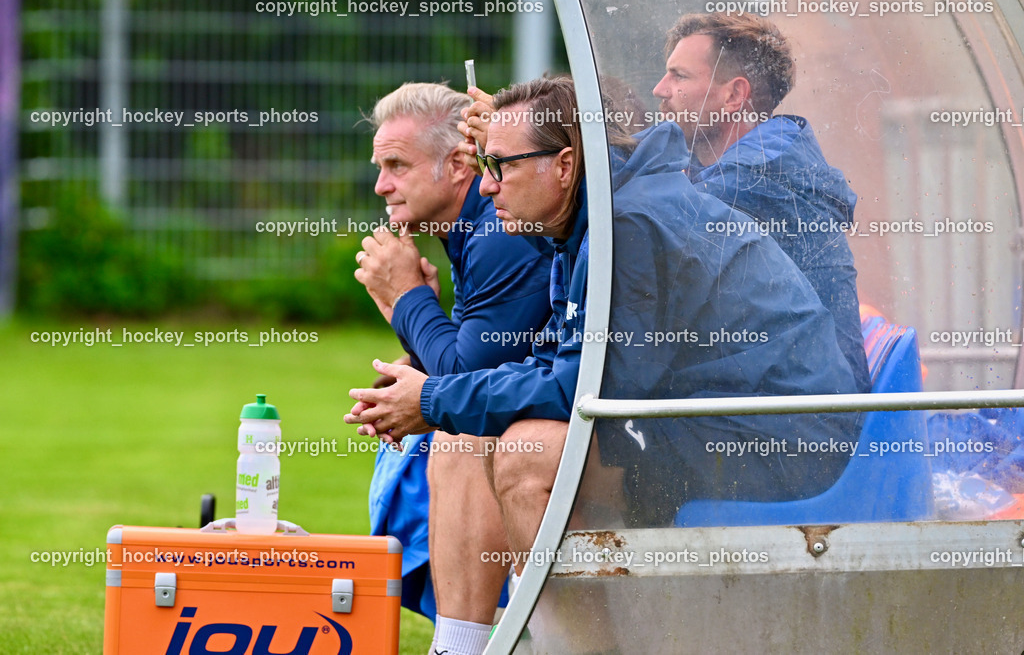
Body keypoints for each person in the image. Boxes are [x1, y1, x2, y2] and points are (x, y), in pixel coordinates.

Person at [347, 75, 860, 618]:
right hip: (714, 418)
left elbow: (581, 387)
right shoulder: (594, 217)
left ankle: (569, 644)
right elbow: (560, 363)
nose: (487, 186)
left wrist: (430, 391)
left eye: (501, 166)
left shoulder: (628, 224)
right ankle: (468, 643)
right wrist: (442, 396)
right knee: (492, 434)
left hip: (778, 437)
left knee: (528, 455)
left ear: (564, 166)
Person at [355, 83, 552, 648]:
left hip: (598, 436)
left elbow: (464, 381)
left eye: (396, 164)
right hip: (554, 415)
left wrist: (407, 299)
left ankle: (462, 645)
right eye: (379, 165)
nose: (381, 185)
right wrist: (414, 338)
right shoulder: (473, 227)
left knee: (460, 440)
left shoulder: (500, 229)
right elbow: (471, 364)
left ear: (460, 162)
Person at [652, 11, 872, 394]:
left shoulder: (749, 187)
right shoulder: (731, 174)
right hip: (782, 399)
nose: (660, 89)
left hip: (797, 418)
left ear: (734, 96)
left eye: (679, 76)